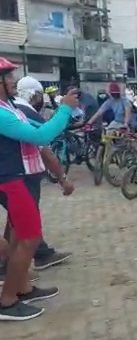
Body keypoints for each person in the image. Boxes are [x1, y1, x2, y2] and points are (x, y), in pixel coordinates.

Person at [0, 57, 79, 320]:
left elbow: (36, 129)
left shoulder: (9, 107)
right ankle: (8, 301)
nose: (13, 81)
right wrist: (65, 110)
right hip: (12, 180)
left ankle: (21, 288)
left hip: (18, 179)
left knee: (16, 237)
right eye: (8, 77)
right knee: (30, 239)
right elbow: (41, 137)